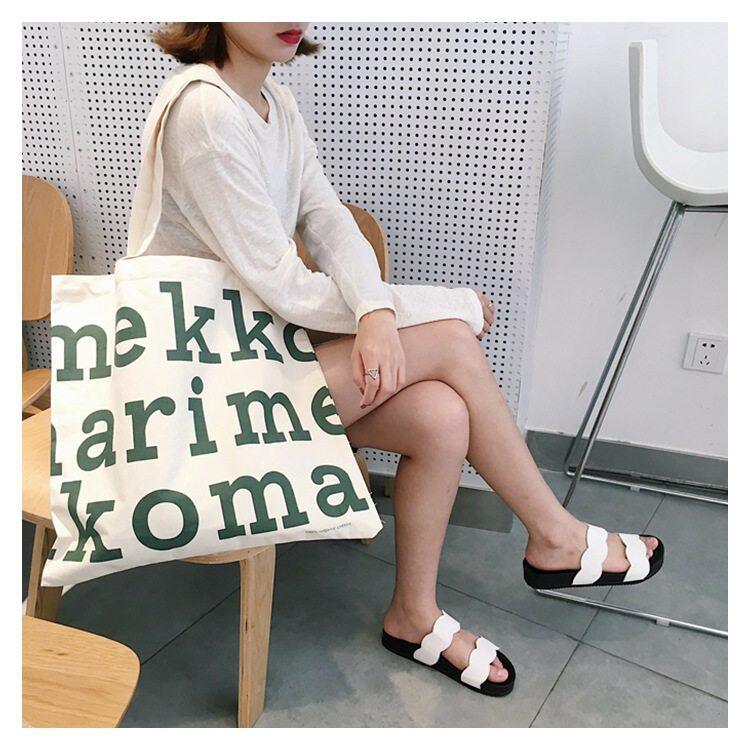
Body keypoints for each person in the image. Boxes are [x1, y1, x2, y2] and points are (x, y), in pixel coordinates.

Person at [140, 21, 663, 696]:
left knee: (442, 415)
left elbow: (331, 223)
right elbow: (281, 284)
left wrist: (376, 310)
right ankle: (556, 536)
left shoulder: (277, 105)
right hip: (197, 399)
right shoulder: (204, 112)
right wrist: (436, 307)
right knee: (449, 337)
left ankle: (413, 615)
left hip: (259, 366)